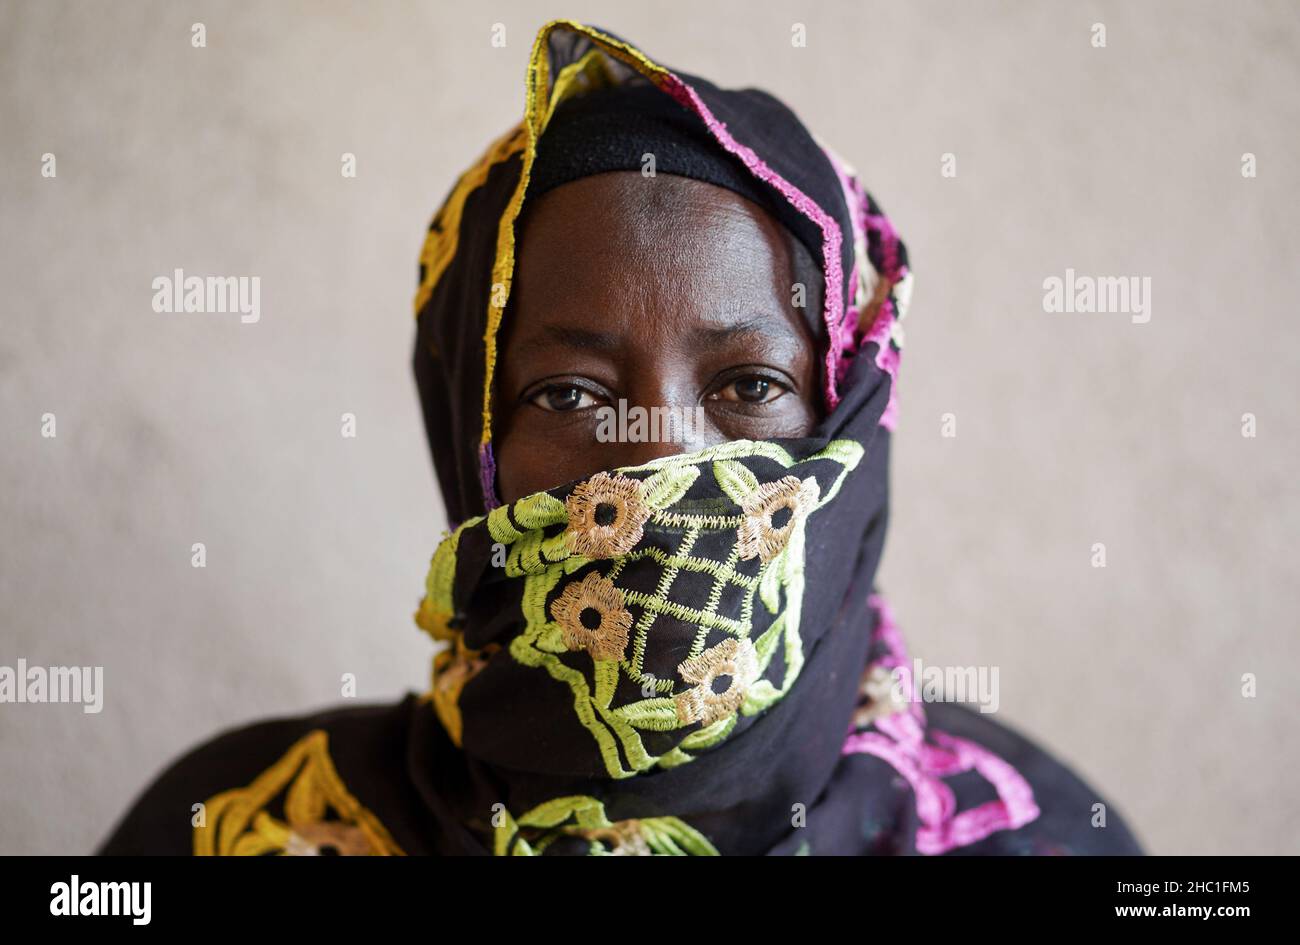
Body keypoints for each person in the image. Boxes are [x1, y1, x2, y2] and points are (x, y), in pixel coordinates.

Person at [97, 19, 1143, 856]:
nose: (658, 460)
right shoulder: (238, 826)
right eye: (568, 395)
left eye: (747, 382)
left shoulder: (1046, 839)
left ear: (850, 420)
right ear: (470, 440)